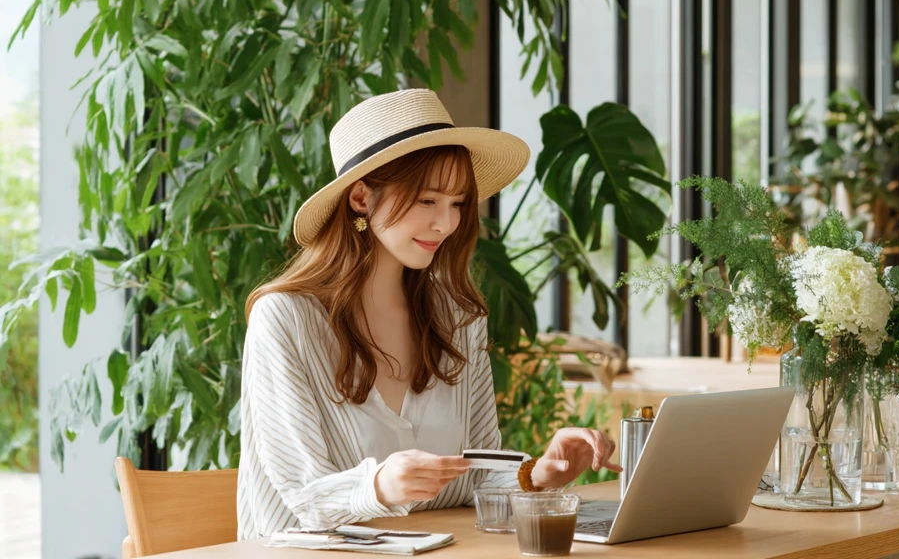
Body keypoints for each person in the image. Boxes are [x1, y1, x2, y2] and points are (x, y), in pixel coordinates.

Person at [236, 89, 621, 540]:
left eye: (457, 203)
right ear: (361, 198)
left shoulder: (457, 317)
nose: (448, 223)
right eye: (427, 201)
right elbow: (302, 497)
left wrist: (537, 473)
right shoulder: (284, 319)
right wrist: (377, 486)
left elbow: (473, 476)